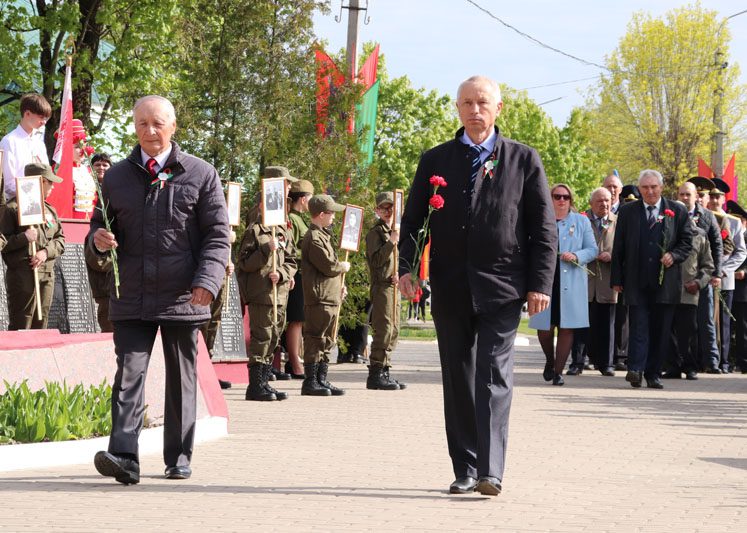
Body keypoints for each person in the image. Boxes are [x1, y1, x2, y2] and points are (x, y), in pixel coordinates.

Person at [398, 75, 557, 496]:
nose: (474, 110)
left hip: (503, 286)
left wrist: (540, 282)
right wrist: (407, 269)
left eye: (482, 102)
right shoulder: (436, 160)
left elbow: (543, 230)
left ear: (498, 108)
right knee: (458, 374)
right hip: (450, 285)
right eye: (466, 103)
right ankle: (465, 467)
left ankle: (491, 470)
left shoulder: (524, 160)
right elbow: (413, 221)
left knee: (492, 371)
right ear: (457, 108)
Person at [88, 95, 230, 484]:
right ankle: (124, 457)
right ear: (134, 127)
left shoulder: (200, 174)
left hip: (183, 295)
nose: (149, 131)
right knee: (129, 374)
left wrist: (207, 281)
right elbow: (97, 228)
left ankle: (179, 457)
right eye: (141, 124)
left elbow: (219, 236)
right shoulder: (115, 177)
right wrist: (97, 241)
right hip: (131, 294)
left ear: (173, 126)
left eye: (157, 124)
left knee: (181, 378)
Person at [611, 169, 692, 390]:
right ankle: (635, 370)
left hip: (665, 283)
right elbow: (619, 247)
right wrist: (616, 278)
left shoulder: (676, 210)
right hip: (636, 281)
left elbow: (687, 242)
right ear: (639, 189)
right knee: (638, 327)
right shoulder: (628, 212)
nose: (650, 191)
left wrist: (673, 255)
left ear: (661, 187)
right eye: (645, 188)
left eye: (654, 187)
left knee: (661, 330)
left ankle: (653, 373)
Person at [236, 166, 298, 401]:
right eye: (286, 184)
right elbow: (244, 263)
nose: (289, 188)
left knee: (274, 336)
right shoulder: (256, 229)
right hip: (261, 292)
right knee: (262, 336)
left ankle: (264, 381)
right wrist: (265, 249)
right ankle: (255, 386)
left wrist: (282, 274)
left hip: (279, 293)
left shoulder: (283, 230)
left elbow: (292, 259)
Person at [529, 184, 597, 385]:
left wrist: (576, 255)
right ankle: (550, 361)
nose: (561, 200)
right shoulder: (539, 219)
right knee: (545, 328)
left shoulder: (581, 221)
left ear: (571, 200)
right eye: (557, 196)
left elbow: (592, 249)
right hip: (545, 279)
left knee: (567, 328)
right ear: (549, 199)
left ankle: (558, 372)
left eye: (565, 197)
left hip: (571, 279)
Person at [0, 163, 64, 329]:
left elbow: (60, 239)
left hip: (46, 273)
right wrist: (24, 237)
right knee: (22, 322)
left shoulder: (50, 210)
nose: (53, 186)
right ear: (40, 182)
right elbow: (3, 243)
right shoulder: (12, 208)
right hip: (22, 275)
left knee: (41, 322)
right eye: (50, 182)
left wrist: (45, 252)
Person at [300, 194, 350, 396]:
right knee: (315, 338)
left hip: (329, 295)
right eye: (331, 213)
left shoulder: (323, 235)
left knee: (328, 339)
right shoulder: (313, 237)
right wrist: (342, 267)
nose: (333, 218)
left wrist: (339, 286)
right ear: (321, 215)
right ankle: (311, 381)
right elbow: (328, 266)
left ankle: (321, 378)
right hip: (319, 297)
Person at [663, 214, 713, 380]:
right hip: (666, 292)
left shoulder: (699, 236)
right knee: (666, 331)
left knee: (688, 332)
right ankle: (673, 366)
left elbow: (708, 266)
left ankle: (690, 366)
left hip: (688, 292)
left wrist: (699, 283)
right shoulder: (664, 233)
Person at [682, 178, 724, 374]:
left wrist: (716, 273)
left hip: (703, 277)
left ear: (697, 197)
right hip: (682, 278)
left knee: (706, 320)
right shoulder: (672, 214)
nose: (684, 198)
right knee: (685, 323)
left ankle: (712, 361)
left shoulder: (707, 216)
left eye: (688, 195)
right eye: (681, 194)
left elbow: (717, 245)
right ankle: (686, 362)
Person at [365, 191, 406, 390]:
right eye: (384, 208)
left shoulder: (395, 231)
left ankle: (385, 370)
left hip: (394, 286)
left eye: (391, 208)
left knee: (394, 330)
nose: (388, 211)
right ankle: (375, 372)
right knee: (384, 329)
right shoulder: (376, 233)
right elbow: (376, 261)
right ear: (377, 210)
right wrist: (391, 242)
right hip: (382, 286)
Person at [706, 179, 746, 373]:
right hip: (703, 278)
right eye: (711, 196)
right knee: (704, 320)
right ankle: (705, 359)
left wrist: (723, 269)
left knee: (723, 321)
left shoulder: (733, 221)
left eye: (717, 196)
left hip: (724, 279)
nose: (714, 200)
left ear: (724, 198)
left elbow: (741, 251)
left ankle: (723, 362)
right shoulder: (703, 217)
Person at [584, 187, 618, 376]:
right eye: (599, 201)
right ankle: (580, 360)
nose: (604, 204)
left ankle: (607, 363)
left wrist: (611, 255)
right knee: (583, 324)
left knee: (607, 323)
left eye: (607, 200)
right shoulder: (582, 220)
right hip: (586, 280)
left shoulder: (618, 222)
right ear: (591, 203)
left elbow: (624, 249)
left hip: (607, 281)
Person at [284, 179, 314, 377]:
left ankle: (296, 359)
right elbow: (290, 247)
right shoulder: (293, 220)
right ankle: (294, 362)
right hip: (296, 273)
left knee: (300, 320)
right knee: (296, 320)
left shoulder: (301, 219)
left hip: (304, 273)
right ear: (303, 199)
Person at [0, 93, 52, 204]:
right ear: (27, 113)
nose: (44, 122)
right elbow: (8, 184)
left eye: (46, 118)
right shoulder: (9, 141)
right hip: (15, 205)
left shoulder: (39, 144)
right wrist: (34, 192)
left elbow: (47, 175)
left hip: (39, 203)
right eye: (41, 117)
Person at [86, 152, 114, 332]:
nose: (101, 168)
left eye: (105, 165)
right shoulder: (85, 186)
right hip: (99, 255)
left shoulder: (116, 191)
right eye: (97, 165)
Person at [727, 200, 747, 373]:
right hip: (728, 284)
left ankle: (743, 361)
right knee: (728, 327)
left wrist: (745, 273)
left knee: (743, 328)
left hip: (743, 289)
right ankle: (730, 359)